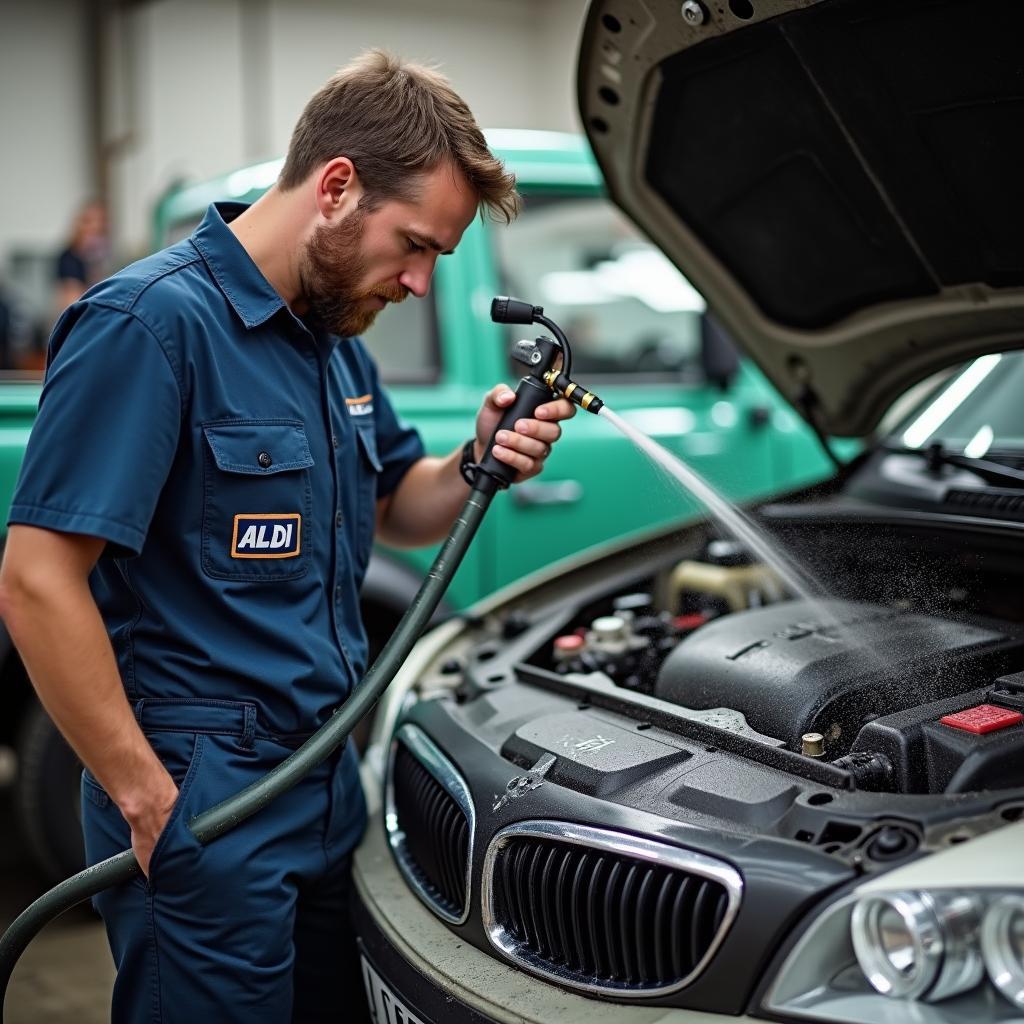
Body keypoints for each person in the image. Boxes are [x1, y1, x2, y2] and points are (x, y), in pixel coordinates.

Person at [0, 50, 573, 1022]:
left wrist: (477, 455)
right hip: (204, 795)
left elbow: (401, 500)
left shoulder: (330, 339)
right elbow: (36, 581)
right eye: (417, 244)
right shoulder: (148, 325)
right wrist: (144, 796)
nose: (423, 281)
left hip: (323, 777)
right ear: (338, 186)